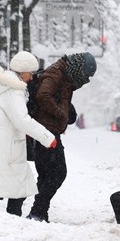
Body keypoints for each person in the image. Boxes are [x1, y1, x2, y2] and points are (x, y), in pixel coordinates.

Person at [0, 51, 57, 216]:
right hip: (4, 148)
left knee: (11, 190)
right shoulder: (13, 90)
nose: (31, 78)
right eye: (30, 73)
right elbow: (22, 120)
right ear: (22, 71)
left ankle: (8, 223)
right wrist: (47, 138)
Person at [27, 52, 97, 222]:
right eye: (85, 76)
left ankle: (39, 213)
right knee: (58, 173)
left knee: (46, 175)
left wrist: (67, 110)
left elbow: (56, 95)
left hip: (47, 130)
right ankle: (37, 212)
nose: (85, 80)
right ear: (78, 69)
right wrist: (61, 115)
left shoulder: (64, 74)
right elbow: (43, 95)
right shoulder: (56, 73)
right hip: (46, 131)